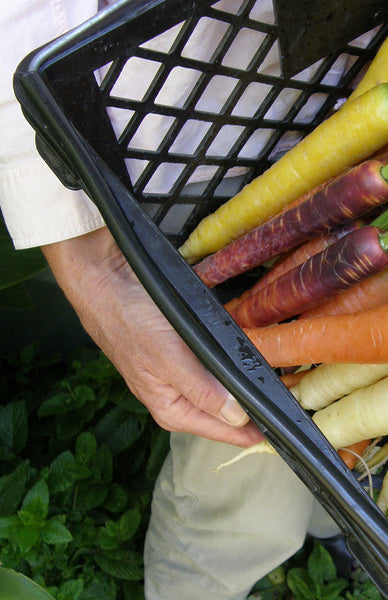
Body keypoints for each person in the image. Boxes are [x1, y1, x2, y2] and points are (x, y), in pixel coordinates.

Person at [0, 2, 341, 599]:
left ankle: (334, 517)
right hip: (188, 133)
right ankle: (200, 584)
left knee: (357, 418)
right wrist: (96, 270)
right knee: (246, 476)